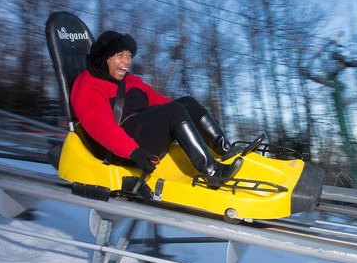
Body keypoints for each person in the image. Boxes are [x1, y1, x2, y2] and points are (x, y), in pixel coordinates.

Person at [70, 30, 243, 187]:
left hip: (141, 133)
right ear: (104, 57)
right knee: (174, 111)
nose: (126, 61)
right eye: (119, 55)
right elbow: (103, 128)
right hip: (123, 150)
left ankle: (224, 149)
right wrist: (133, 151)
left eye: (129, 56)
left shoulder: (129, 81)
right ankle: (212, 171)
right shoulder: (88, 85)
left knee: (186, 103)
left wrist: (191, 120)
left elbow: (157, 100)